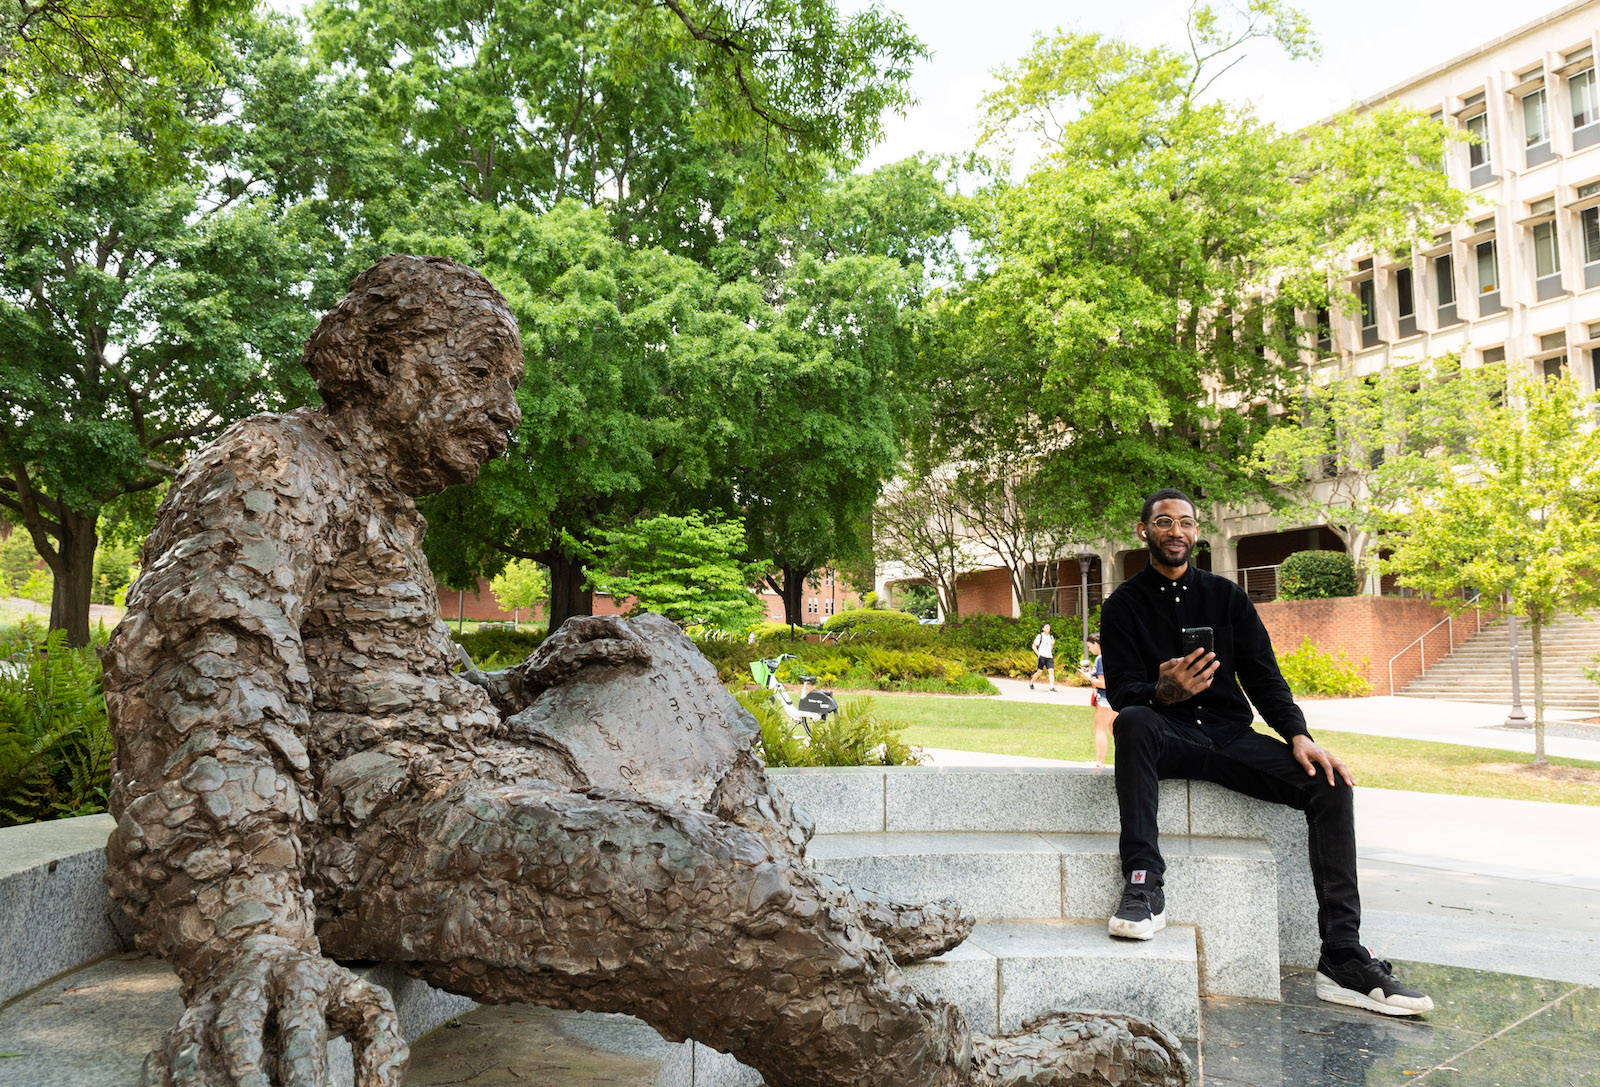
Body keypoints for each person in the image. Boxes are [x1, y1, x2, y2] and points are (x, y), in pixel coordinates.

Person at [101, 255, 1191, 1087]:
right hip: (382, 835)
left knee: (656, 652)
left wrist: (519, 683)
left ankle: (814, 909)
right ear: (381, 360)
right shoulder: (274, 462)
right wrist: (250, 932)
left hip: (462, 767)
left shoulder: (383, 507)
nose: (508, 411)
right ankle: (940, 1065)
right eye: (479, 373)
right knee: (699, 876)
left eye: (510, 382)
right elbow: (206, 667)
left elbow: (381, 691)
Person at [1098, 488, 1432, 1018]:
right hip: (1167, 737)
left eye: (1186, 522)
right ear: (1145, 532)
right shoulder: (1122, 607)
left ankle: (1343, 956)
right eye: (1164, 522)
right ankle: (1143, 885)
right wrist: (1162, 693)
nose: (1176, 531)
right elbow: (1122, 691)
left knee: (1330, 784)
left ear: (1196, 532)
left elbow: (1263, 676)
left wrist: (1298, 734)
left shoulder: (1228, 597)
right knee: (1134, 721)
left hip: (1230, 738)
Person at [1081, 632, 1113, 769]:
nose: (1090, 649)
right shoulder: (1111, 657)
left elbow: (1103, 683)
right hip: (1114, 700)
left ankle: (1100, 762)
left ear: (1096, 644)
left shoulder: (1101, 659)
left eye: (1090, 646)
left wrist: (1088, 678)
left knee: (1099, 729)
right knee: (1115, 731)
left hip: (1104, 700)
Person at [1030, 623, 1057, 691]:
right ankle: (1032, 682)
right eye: (1046, 627)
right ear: (1043, 628)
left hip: (1049, 657)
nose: (1048, 628)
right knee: (1039, 672)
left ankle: (1051, 687)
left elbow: (1050, 648)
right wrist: (1038, 654)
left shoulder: (1051, 637)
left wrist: (1052, 644)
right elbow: (1034, 646)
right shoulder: (1040, 636)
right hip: (1042, 656)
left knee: (1051, 671)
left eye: (1049, 627)